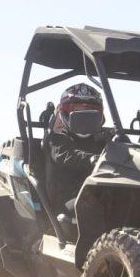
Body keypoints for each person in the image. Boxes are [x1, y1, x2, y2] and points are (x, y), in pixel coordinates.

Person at [45, 83, 108, 212]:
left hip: (99, 194)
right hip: (70, 198)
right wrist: (96, 159)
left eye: (90, 111)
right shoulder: (58, 138)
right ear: (65, 113)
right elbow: (65, 156)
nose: (84, 116)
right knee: (95, 208)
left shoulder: (103, 139)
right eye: (78, 111)